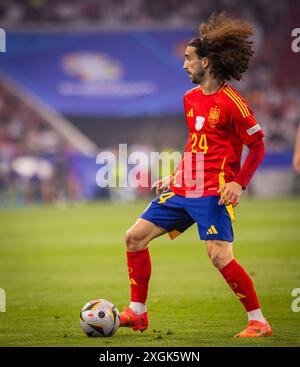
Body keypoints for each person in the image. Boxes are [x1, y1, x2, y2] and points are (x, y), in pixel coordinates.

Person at [120, 12, 272, 338]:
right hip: (184, 186)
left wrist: (238, 182)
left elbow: (257, 146)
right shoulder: (190, 99)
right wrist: (176, 175)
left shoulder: (234, 104)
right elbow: (195, 143)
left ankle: (259, 321)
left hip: (213, 191)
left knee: (218, 255)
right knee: (134, 238)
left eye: (189, 59)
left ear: (207, 61)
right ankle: (137, 313)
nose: (185, 65)